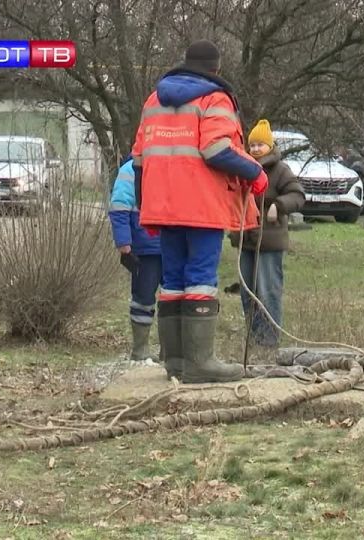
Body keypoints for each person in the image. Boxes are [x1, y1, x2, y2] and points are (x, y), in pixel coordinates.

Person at [131, 39, 269, 384]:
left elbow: (138, 159)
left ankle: (176, 362)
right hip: (201, 206)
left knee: (173, 279)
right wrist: (256, 172)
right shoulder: (214, 99)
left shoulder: (153, 101)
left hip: (162, 206)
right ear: (216, 69)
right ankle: (201, 362)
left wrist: (143, 207)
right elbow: (216, 149)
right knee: (201, 278)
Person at [229, 119, 305, 360]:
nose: (256, 149)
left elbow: (298, 195)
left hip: (269, 241)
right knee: (247, 291)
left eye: (261, 145)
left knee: (267, 290)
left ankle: (269, 340)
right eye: (252, 145)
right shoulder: (242, 168)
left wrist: (279, 206)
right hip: (246, 239)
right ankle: (253, 338)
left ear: (270, 146)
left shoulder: (281, 170)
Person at [108, 154, 162, 362]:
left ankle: (170, 350)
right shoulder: (129, 170)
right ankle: (140, 350)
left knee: (172, 297)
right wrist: (123, 242)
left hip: (171, 245)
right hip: (144, 247)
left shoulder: (171, 165)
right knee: (143, 297)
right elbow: (119, 207)